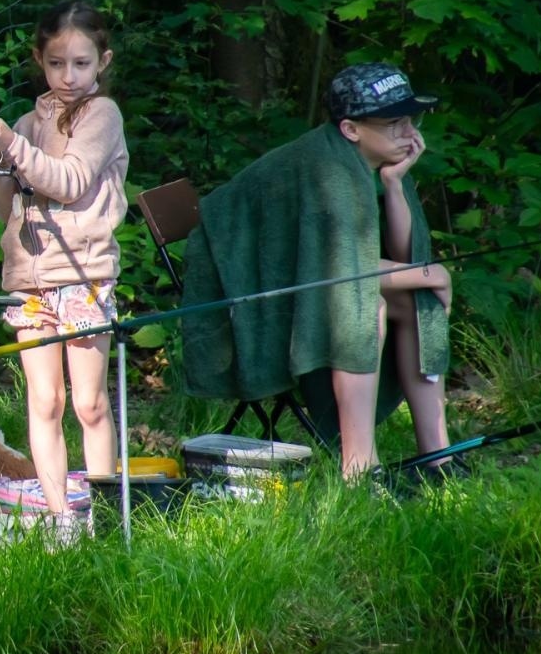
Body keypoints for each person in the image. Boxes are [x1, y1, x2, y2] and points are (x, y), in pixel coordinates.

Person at [182, 62, 453, 479]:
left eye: (411, 119)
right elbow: (342, 271)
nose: (408, 131)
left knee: (418, 304)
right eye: (394, 122)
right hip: (245, 284)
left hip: (303, 276)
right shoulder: (328, 171)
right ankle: (360, 467)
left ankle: (438, 460)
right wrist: (431, 274)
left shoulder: (364, 161)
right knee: (364, 311)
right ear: (351, 129)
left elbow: (398, 255)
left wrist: (396, 185)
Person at [0, 0, 130, 534]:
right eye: (57, 63)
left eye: (81, 63)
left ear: (102, 61)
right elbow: (8, 210)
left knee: (87, 403)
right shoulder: (25, 123)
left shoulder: (102, 116)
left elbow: (69, 181)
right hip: (28, 282)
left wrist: (15, 148)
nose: (69, 76)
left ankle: (105, 517)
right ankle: (61, 517)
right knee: (45, 401)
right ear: (40, 59)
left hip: (82, 275)